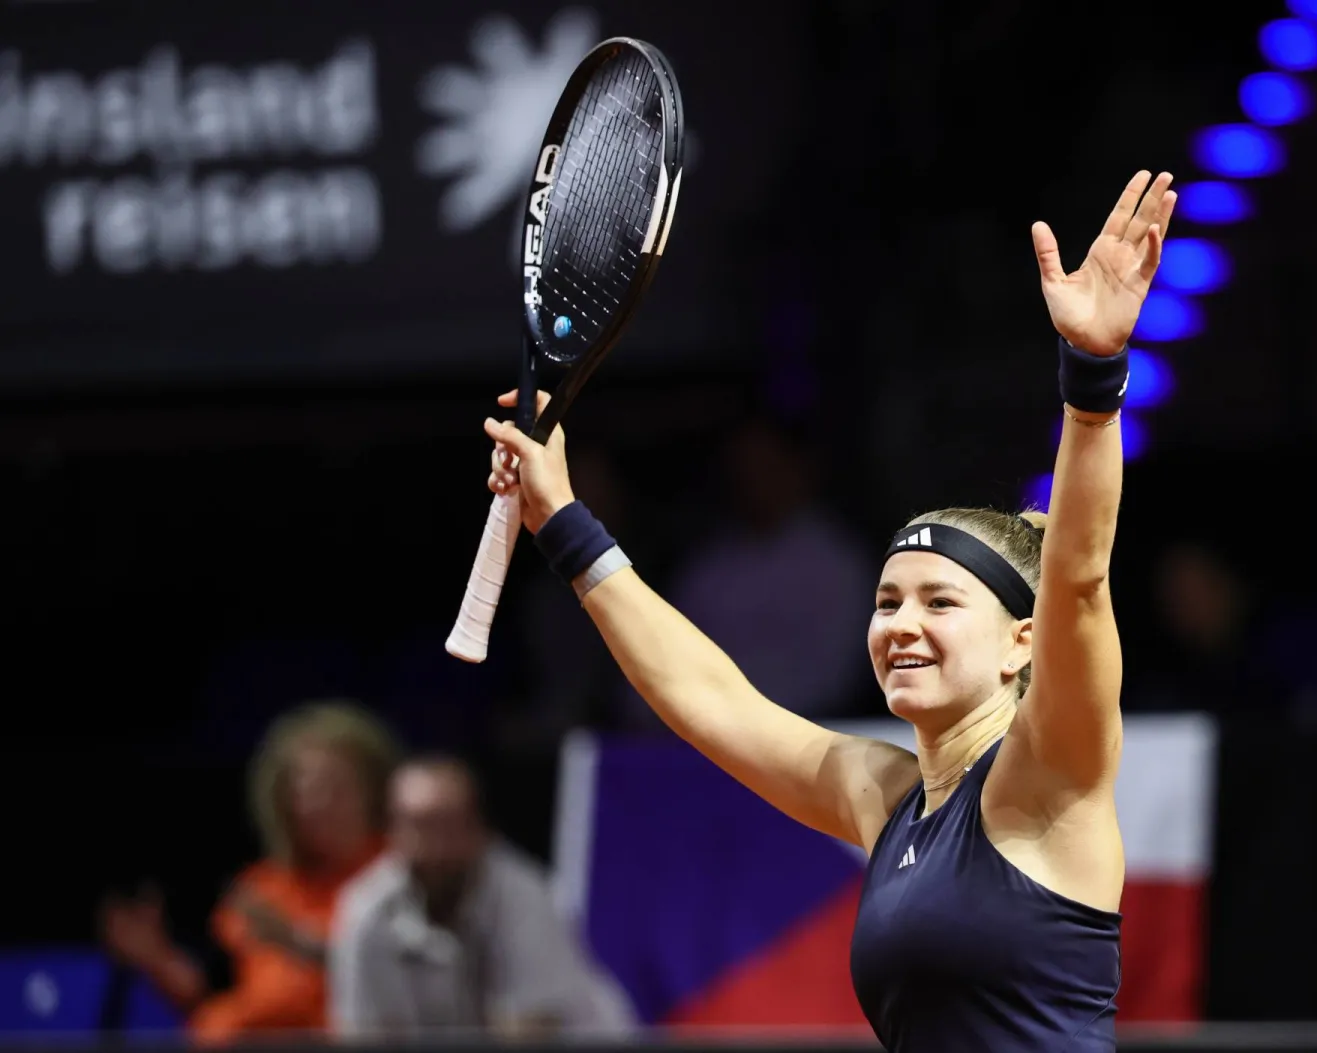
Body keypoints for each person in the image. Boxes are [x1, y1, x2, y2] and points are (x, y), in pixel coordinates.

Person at [483, 170, 1176, 1051]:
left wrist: (1094, 379)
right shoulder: (888, 798)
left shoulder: (1049, 772)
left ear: (1021, 642)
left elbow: (1076, 579)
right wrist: (563, 521)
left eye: (939, 600)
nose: (900, 624)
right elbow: (711, 700)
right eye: (888, 601)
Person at [100, 701, 398, 1044]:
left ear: (375, 792)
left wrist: (303, 946)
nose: (319, 803)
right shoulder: (260, 889)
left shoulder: (401, 880)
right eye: (305, 790)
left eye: (336, 787)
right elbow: (211, 992)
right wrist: (158, 960)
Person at [328, 755, 637, 1040]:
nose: (436, 847)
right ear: (392, 831)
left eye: (449, 825)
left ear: (479, 828)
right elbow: (364, 1032)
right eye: (420, 826)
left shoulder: (525, 896)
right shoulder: (365, 909)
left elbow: (530, 1032)